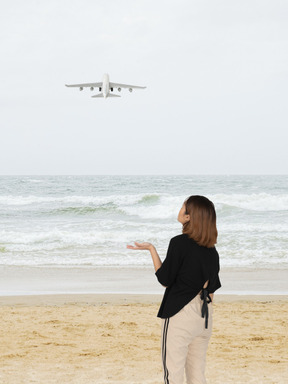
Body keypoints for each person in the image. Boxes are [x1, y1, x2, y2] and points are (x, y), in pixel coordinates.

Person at [127, 195, 221, 384]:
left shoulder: (179, 243)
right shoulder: (212, 251)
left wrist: (151, 250)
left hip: (181, 314)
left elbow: (164, 279)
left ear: (188, 217)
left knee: (173, 374)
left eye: (183, 207)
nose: (179, 209)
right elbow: (211, 291)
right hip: (204, 317)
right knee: (197, 376)